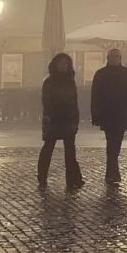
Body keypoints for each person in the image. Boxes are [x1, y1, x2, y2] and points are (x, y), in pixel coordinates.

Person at [89, 48, 127, 187]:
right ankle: (112, 173)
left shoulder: (126, 73)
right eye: (112, 57)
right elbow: (95, 96)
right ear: (108, 58)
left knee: (116, 144)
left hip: (121, 113)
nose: (114, 59)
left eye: (117, 57)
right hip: (107, 113)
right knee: (111, 143)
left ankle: (113, 172)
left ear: (120, 58)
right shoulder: (101, 74)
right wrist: (95, 114)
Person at [38, 53, 84, 190]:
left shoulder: (71, 81)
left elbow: (74, 101)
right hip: (54, 119)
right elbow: (46, 101)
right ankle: (42, 176)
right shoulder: (49, 82)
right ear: (56, 65)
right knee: (48, 149)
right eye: (61, 64)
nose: (64, 66)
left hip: (68, 119)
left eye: (66, 64)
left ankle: (72, 179)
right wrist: (49, 116)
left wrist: (75, 118)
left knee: (70, 152)